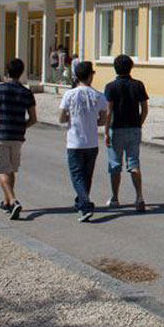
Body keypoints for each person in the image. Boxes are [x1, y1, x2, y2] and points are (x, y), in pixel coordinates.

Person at [0, 58, 37, 220]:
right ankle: (7, 202)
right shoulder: (27, 93)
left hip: (1, 134)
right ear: (21, 73)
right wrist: (22, 127)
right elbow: (33, 118)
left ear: (7, 71)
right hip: (17, 136)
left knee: (1, 170)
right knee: (11, 169)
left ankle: (13, 201)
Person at [58, 61, 108, 222]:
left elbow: (61, 117)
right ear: (89, 76)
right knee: (87, 176)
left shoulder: (69, 94)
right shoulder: (99, 95)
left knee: (77, 176)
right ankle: (80, 202)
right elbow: (103, 120)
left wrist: (70, 117)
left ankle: (85, 204)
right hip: (91, 142)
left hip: (74, 141)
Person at [103, 54, 149, 212]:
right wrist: (139, 123)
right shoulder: (138, 85)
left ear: (115, 68)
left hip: (117, 128)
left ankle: (115, 198)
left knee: (115, 164)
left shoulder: (110, 87)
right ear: (131, 67)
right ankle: (139, 197)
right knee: (134, 163)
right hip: (134, 127)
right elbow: (145, 108)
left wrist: (106, 131)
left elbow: (109, 111)